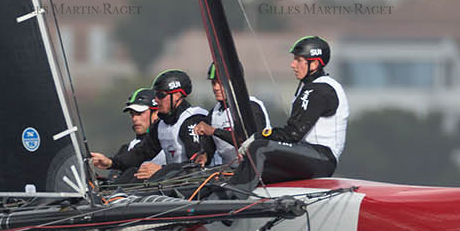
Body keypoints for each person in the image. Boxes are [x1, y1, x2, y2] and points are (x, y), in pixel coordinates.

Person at [234, 35, 348, 185]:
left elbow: (292, 134)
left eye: (298, 60)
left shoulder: (320, 89)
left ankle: (234, 196)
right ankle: (225, 195)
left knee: (259, 148)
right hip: (305, 154)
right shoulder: (308, 87)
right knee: (255, 166)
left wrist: (258, 137)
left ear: (314, 64)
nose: (292, 65)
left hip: (322, 159)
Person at [195, 63, 271, 166]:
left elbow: (250, 142)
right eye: (213, 83)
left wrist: (214, 131)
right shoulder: (214, 112)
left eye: (220, 83)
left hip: (257, 172)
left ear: (234, 83)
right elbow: (210, 148)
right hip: (230, 173)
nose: (216, 88)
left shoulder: (250, 106)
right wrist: (204, 156)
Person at [146, 68, 215, 173]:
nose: (156, 100)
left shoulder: (192, 119)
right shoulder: (160, 124)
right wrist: (113, 162)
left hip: (200, 182)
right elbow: (140, 153)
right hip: (175, 181)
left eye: (161, 95)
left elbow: (196, 164)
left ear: (177, 95)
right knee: (132, 172)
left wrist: (161, 170)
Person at [89, 87, 165, 182]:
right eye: (132, 114)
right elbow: (114, 181)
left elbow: (186, 168)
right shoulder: (126, 149)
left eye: (139, 113)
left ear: (156, 113)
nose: (134, 119)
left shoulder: (169, 140)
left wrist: (162, 171)